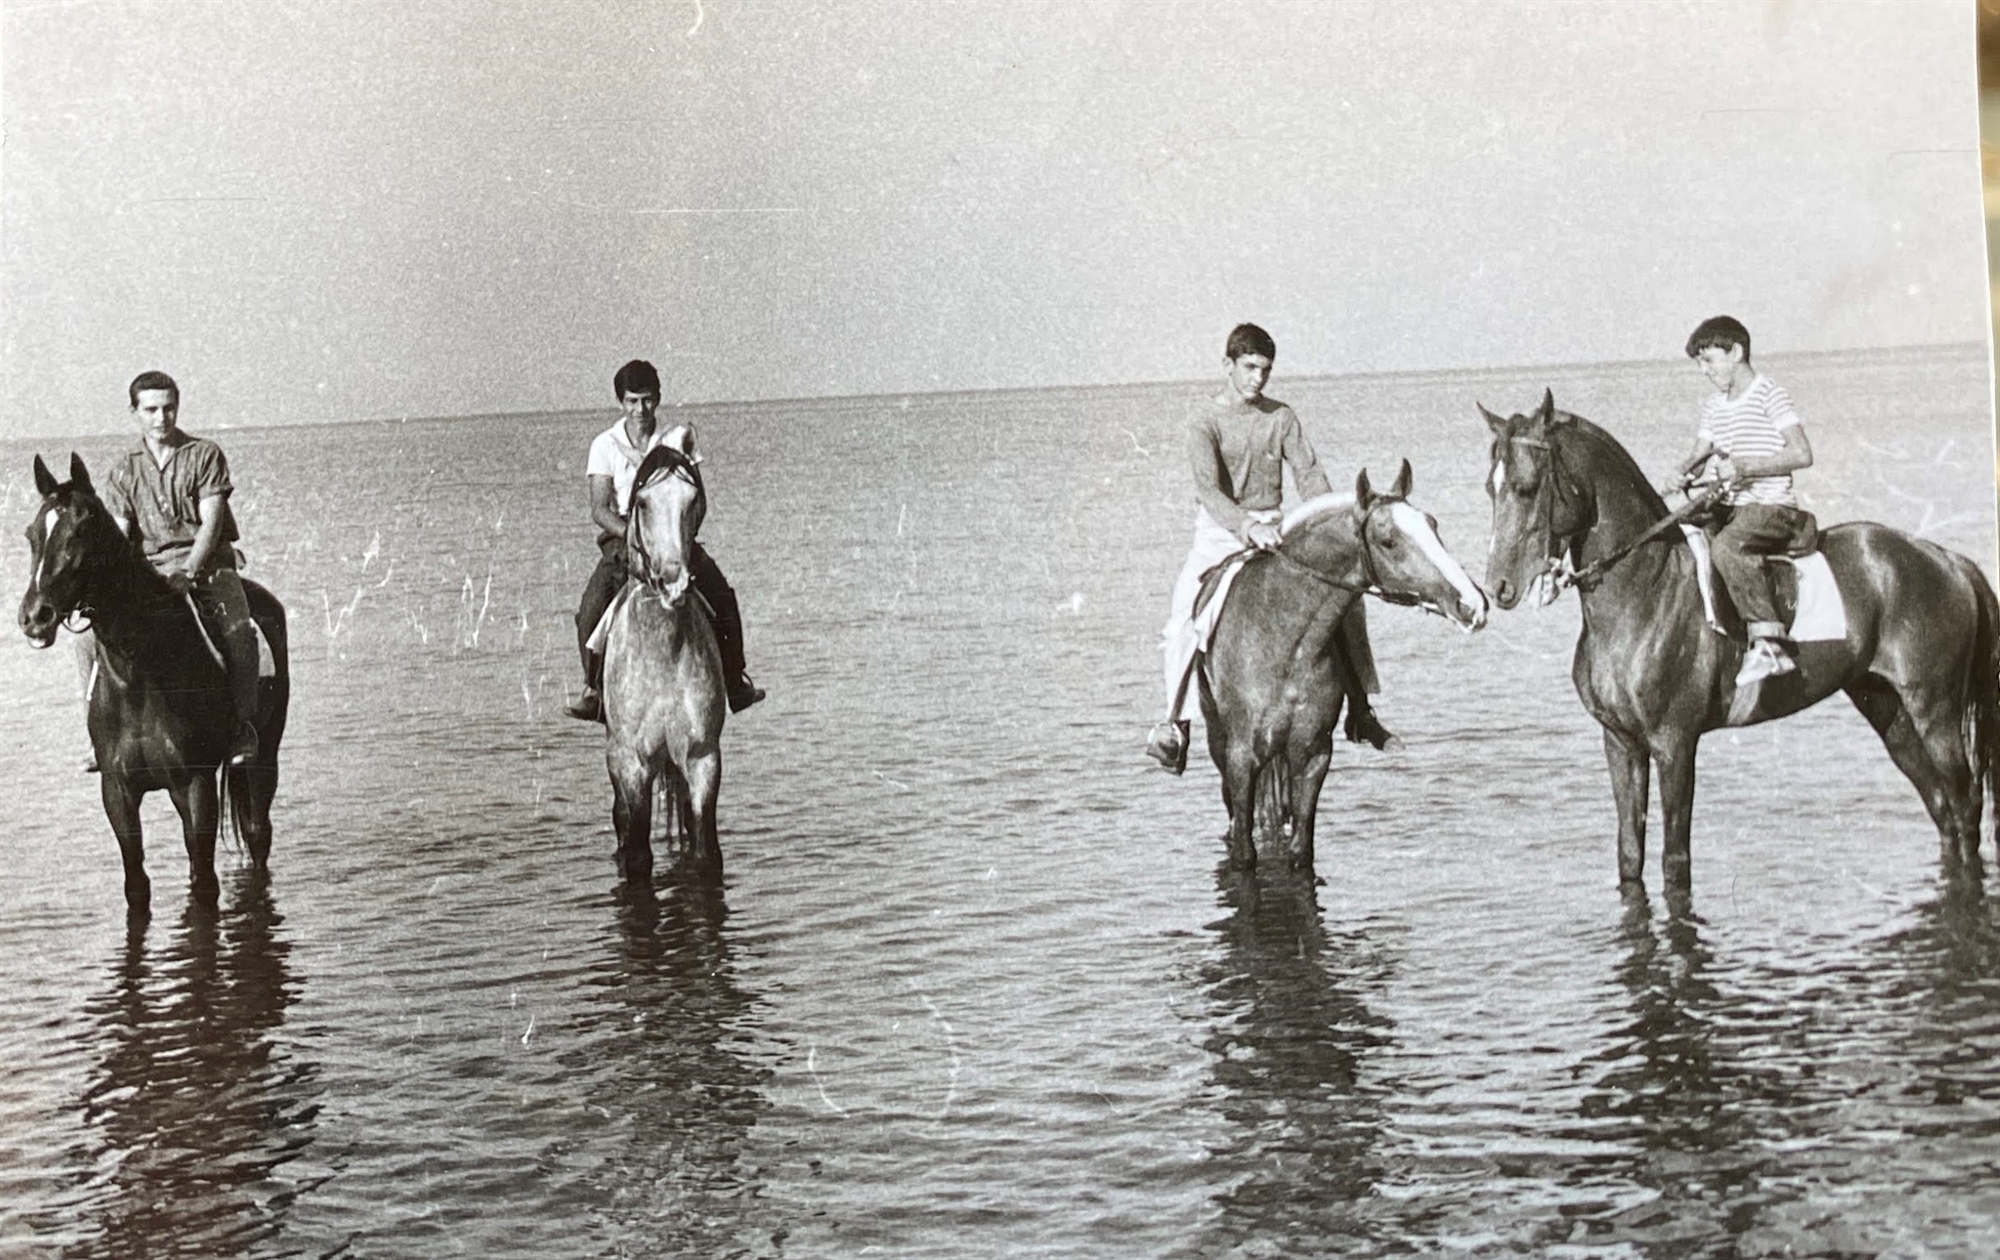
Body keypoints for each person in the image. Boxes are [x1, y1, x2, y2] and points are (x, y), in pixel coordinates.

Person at [1145, 323, 1395, 774]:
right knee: (1183, 621)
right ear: (1228, 365)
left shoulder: (1281, 417)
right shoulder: (1204, 421)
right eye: (1249, 367)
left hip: (1279, 527)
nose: (1258, 378)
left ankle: (1361, 712)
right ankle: (1174, 726)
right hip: (1221, 533)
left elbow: (1309, 474)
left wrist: (1332, 523)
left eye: (1265, 369)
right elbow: (1208, 490)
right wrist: (1245, 526)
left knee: (1345, 601)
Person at [565, 359, 764, 721]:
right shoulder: (605, 445)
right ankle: (593, 690)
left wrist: (680, 537)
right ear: (621, 402)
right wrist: (633, 535)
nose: (640, 410)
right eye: (632, 401)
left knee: (722, 596)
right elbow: (599, 508)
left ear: (657, 399)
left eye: (647, 400)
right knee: (592, 607)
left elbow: (699, 500)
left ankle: (735, 681)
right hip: (625, 541)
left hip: (674, 538)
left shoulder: (676, 440)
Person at [97, 371, 261, 764]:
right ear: (134, 412)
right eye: (151, 409)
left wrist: (188, 571)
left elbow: (212, 522)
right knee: (88, 639)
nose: (161, 418)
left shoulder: (204, 454)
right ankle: (100, 734)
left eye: (168, 408)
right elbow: (120, 536)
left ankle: (242, 728)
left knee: (239, 633)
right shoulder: (123, 469)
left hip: (203, 565)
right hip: (149, 572)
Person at [1663, 315, 1816, 685]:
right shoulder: (1715, 406)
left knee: (1728, 548)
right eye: (1699, 363)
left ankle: (1769, 642)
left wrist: (1745, 466)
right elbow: (1700, 453)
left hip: (1771, 506)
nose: (1704, 371)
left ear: (1736, 352)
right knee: (1674, 533)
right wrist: (1682, 472)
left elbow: (1802, 453)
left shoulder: (1769, 394)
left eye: (1708, 360)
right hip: (1732, 505)